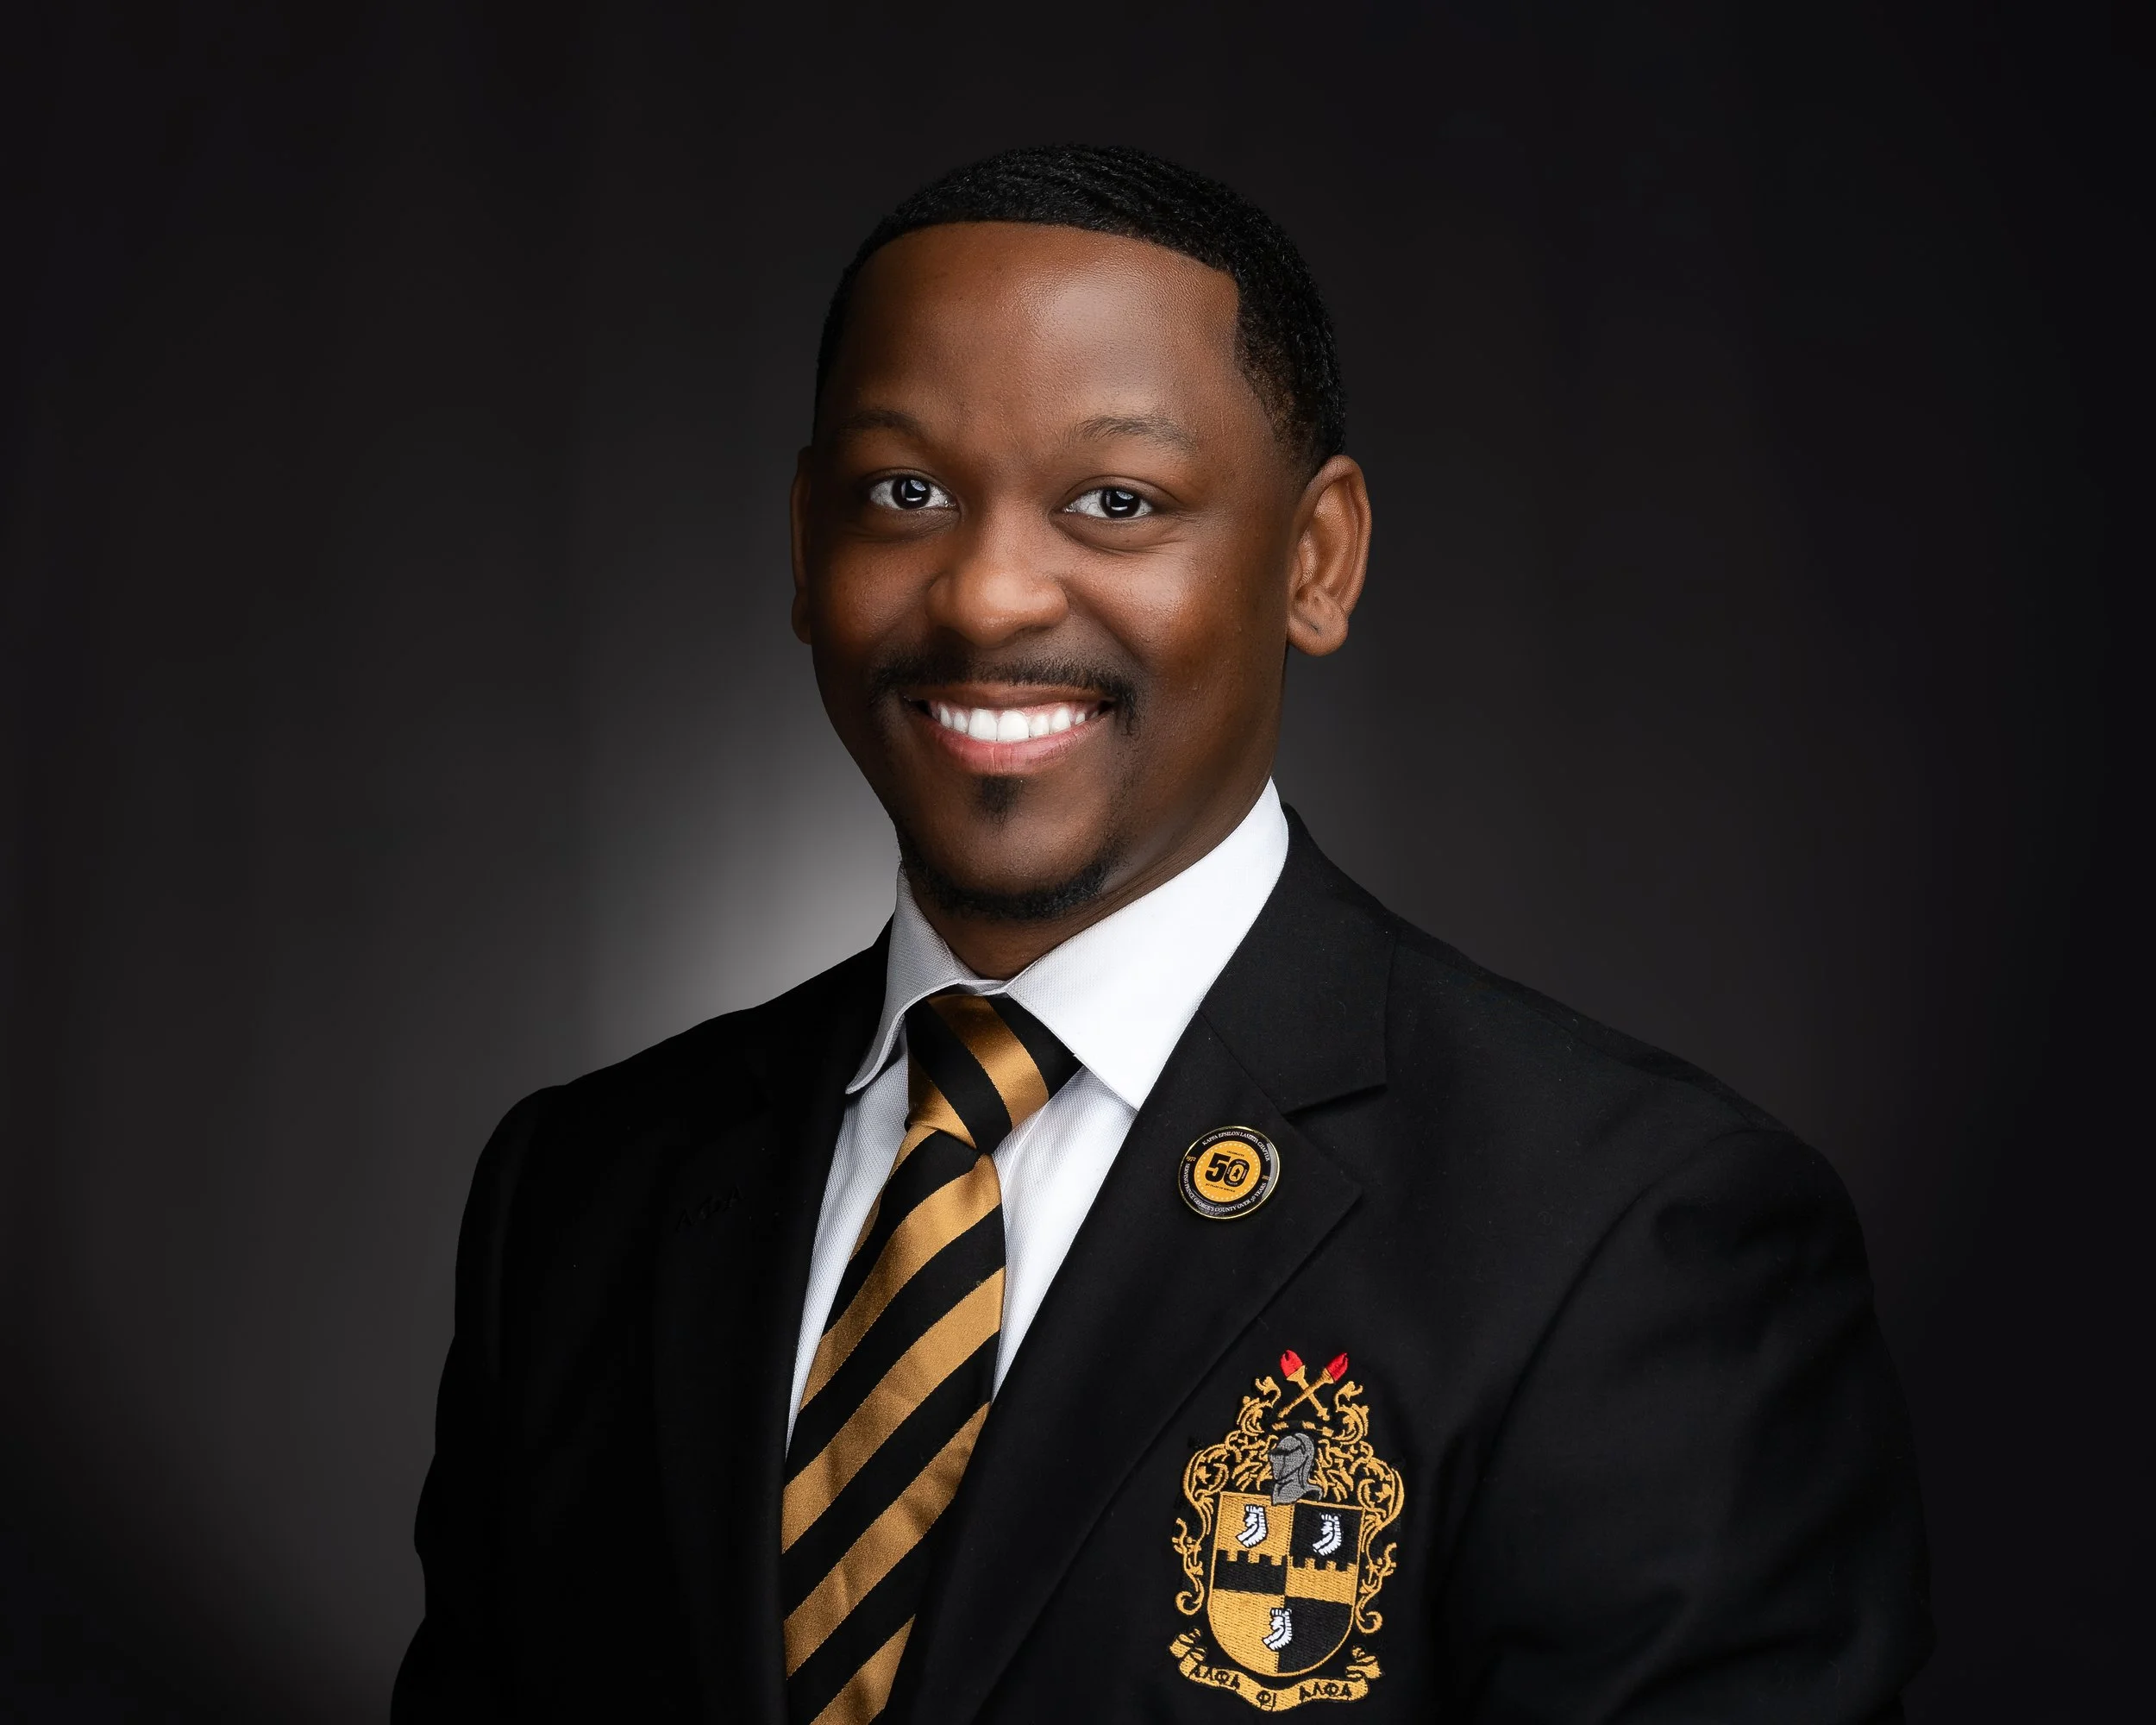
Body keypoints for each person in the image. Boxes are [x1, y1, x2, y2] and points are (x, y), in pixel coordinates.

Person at [392, 145, 1929, 1723]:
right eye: (905, 493)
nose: (988, 597)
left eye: (1116, 502)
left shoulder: (1626, 1237)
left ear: (1316, 560)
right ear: (804, 545)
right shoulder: (580, 1198)